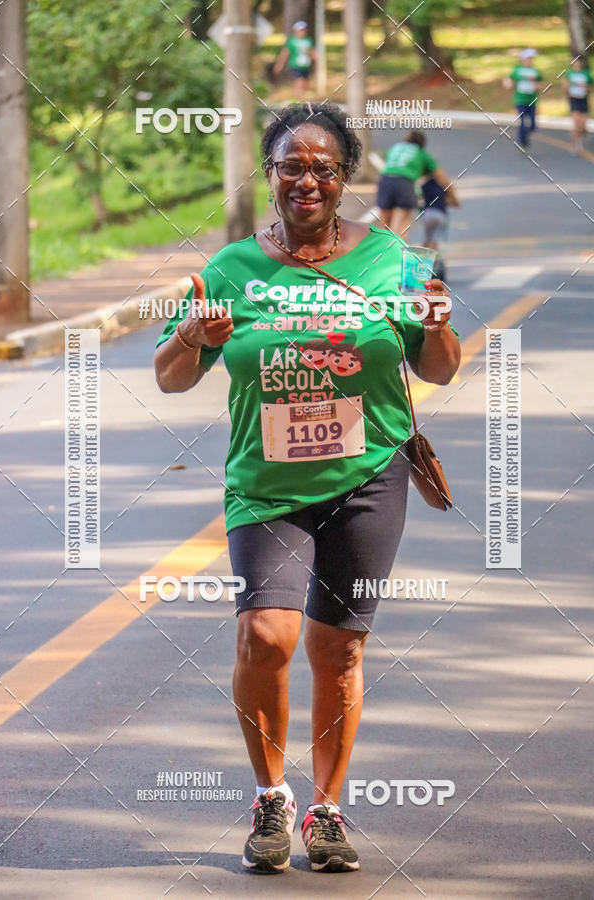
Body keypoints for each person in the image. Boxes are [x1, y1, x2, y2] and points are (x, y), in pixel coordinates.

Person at [154, 102, 460, 875]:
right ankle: (269, 798)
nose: (308, 180)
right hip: (266, 485)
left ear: (346, 177)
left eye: (324, 167)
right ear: (272, 173)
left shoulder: (396, 261)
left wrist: (439, 322)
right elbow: (169, 375)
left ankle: (326, 809)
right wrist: (195, 334)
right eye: (293, 165)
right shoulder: (228, 268)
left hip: (368, 478)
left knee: (340, 648)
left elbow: (439, 367)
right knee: (267, 636)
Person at [376, 130, 457, 239]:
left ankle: (381, 252)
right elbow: (442, 178)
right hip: (404, 183)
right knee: (401, 223)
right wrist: (452, 195)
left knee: (384, 224)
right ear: (422, 144)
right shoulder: (421, 153)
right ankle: (397, 252)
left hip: (385, 181)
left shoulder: (395, 148)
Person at [420, 174, 460, 283]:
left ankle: (423, 264)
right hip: (440, 215)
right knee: (435, 241)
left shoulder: (424, 185)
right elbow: (456, 203)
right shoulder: (444, 185)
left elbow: (419, 200)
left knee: (428, 240)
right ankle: (433, 267)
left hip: (427, 213)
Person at [505, 48, 543, 149]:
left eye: (531, 59)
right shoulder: (518, 70)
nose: (530, 61)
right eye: (528, 58)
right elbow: (509, 80)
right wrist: (508, 83)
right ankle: (522, 142)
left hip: (532, 100)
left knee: (533, 124)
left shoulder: (535, 72)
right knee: (522, 121)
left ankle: (524, 135)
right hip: (520, 100)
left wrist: (536, 84)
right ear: (523, 59)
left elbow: (540, 84)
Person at [274, 21, 316, 99]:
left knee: (305, 82)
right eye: (300, 30)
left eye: (303, 30)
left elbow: (312, 52)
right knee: (299, 81)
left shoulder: (308, 40)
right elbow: (285, 53)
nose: (302, 32)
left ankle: (299, 97)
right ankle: (300, 98)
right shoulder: (292, 41)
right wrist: (279, 64)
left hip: (305, 65)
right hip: (296, 64)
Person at [565, 55, 592, 154]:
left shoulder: (586, 74)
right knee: (577, 123)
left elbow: (591, 88)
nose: (576, 64)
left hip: (583, 100)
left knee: (583, 126)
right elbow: (565, 87)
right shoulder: (569, 74)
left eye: (578, 62)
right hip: (574, 100)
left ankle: (579, 139)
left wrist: (586, 87)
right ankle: (574, 144)